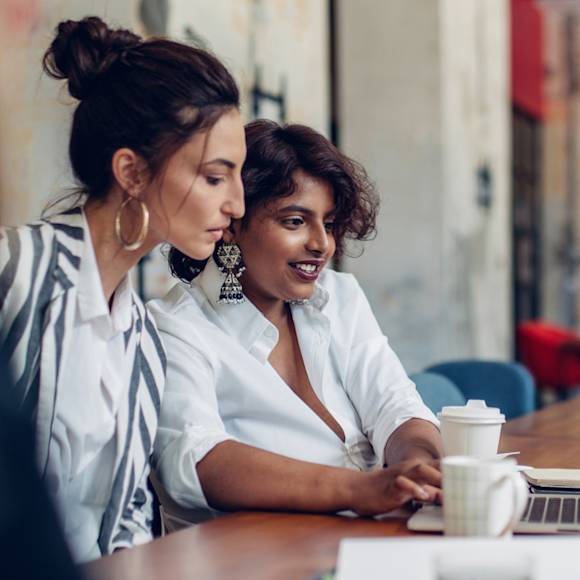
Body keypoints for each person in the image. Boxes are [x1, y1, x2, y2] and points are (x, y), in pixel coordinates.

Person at [0, 16, 245, 561]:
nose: (237, 205)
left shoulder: (143, 340)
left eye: (238, 177)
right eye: (214, 177)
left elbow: (128, 521)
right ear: (131, 173)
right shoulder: (14, 274)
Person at [149, 119, 443, 528]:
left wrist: (420, 469)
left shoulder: (339, 297)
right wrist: (361, 490)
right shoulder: (176, 327)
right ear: (232, 223)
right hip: (254, 561)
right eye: (295, 221)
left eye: (329, 222)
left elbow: (395, 404)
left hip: (365, 540)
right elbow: (194, 462)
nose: (321, 244)